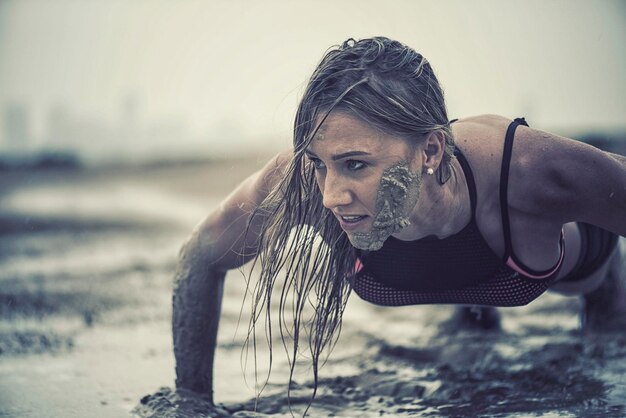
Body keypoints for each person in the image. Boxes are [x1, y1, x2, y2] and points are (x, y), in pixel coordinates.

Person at [171, 37, 626, 406]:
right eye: (318, 163)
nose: (329, 196)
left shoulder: (531, 171)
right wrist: (192, 401)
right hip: (461, 257)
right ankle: (476, 317)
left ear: (429, 151)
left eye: (355, 164)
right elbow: (199, 257)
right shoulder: (302, 185)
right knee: (470, 348)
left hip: (576, 264)